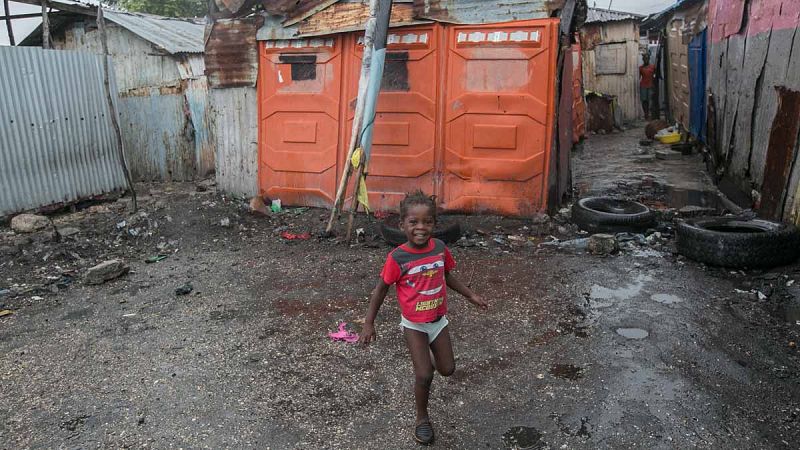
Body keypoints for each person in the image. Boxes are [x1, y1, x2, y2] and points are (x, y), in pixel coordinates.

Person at [360, 190, 488, 445]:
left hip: (438, 321)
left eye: (427, 222)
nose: (421, 227)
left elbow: (447, 276)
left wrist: (470, 295)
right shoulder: (397, 258)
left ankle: (428, 359)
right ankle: (422, 419)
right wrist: (369, 322)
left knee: (447, 369)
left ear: (434, 224)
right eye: (413, 222)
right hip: (414, 325)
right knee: (424, 375)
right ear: (402, 225)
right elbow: (381, 289)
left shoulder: (439, 248)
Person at [639, 53, 656, 120]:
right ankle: (646, 114)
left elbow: (655, 76)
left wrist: (654, 84)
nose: (646, 60)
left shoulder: (652, 67)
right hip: (643, 86)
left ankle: (650, 114)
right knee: (644, 100)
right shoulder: (641, 68)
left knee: (650, 100)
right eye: (645, 58)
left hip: (650, 85)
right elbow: (638, 77)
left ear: (649, 59)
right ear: (643, 59)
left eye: (647, 58)